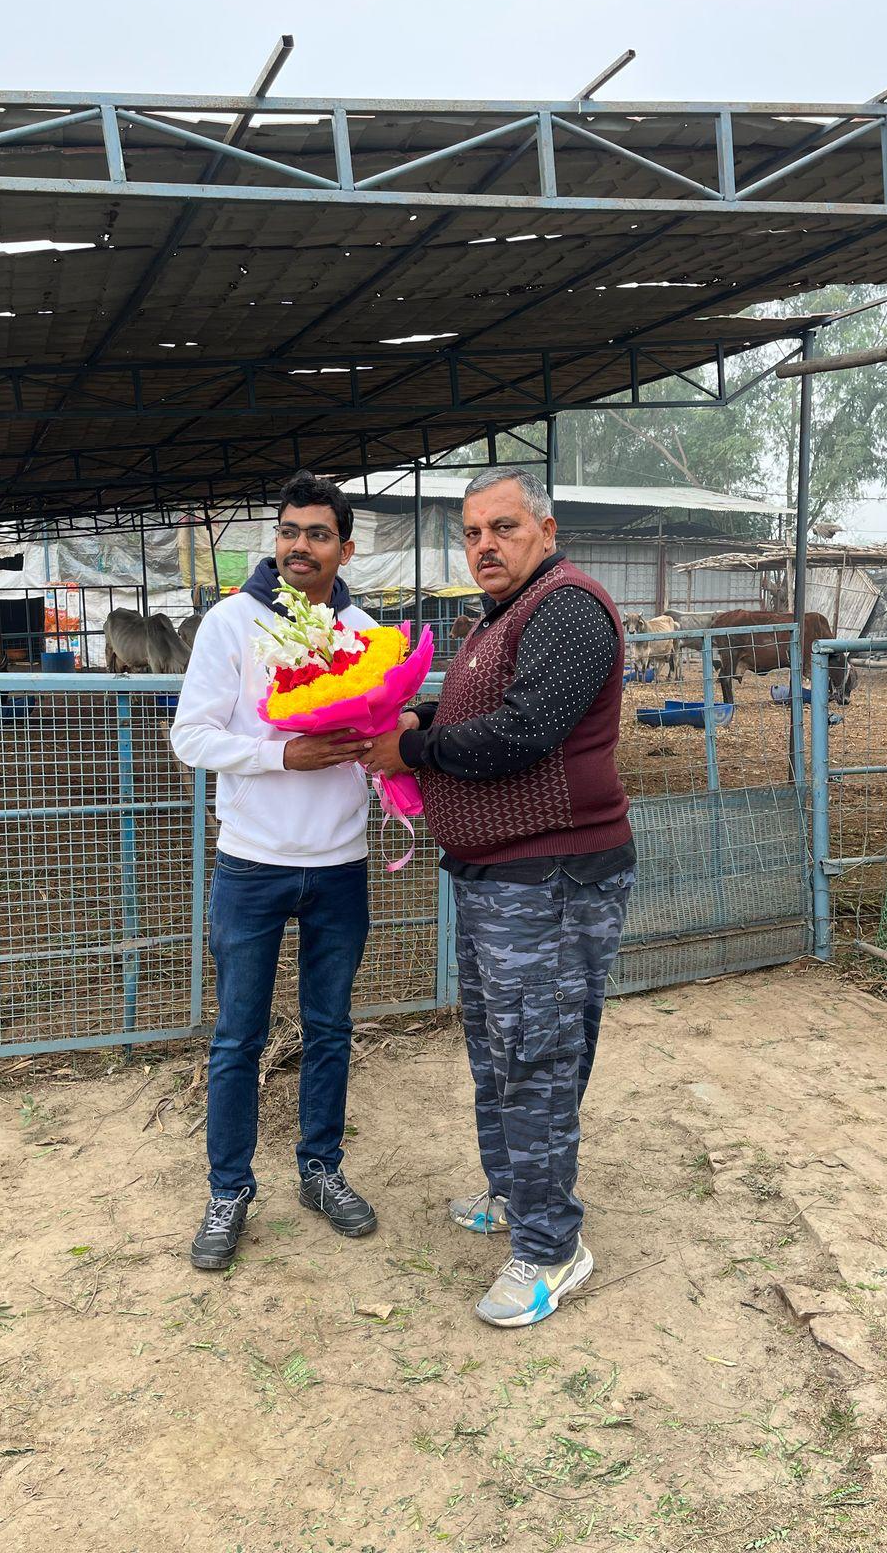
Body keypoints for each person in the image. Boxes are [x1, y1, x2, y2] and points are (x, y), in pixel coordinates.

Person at [366, 466, 634, 1328]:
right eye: (473, 532)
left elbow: (525, 730)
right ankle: (515, 1195)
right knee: (496, 1050)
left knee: (536, 1056)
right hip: (496, 876)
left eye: (504, 527)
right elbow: (480, 707)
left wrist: (414, 751)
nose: (485, 544)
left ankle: (552, 1247)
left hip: (550, 875)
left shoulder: (568, 607)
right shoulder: (499, 615)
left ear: (547, 532)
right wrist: (420, 718)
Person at [171, 471, 378, 1270]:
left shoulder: (364, 632)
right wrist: (281, 755)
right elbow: (191, 736)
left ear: (344, 549)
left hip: (340, 864)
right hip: (252, 865)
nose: (299, 545)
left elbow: (376, 736)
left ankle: (320, 1170)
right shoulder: (232, 623)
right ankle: (228, 1189)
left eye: (317, 534)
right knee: (238, 1035)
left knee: (330, 1028)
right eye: (289, 531)